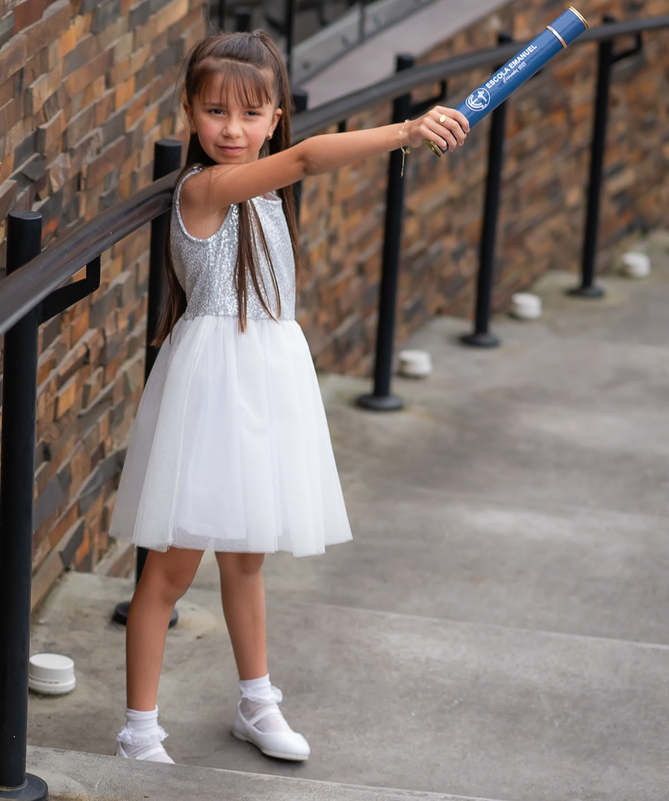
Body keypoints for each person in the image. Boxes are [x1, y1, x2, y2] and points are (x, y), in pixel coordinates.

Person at [109, 31, 469, 764]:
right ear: (188, 110)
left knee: (247, 559)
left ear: (275, 115)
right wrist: (406, 129)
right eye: (215, 111)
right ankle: (139, 730)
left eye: (250, 114)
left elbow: (291, 171)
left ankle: (256, 701)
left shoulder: (265, 197)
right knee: (170, 571)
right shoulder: (204, 189)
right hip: (209, 396)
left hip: (265, 389)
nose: (232, 130)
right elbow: (308, 159)